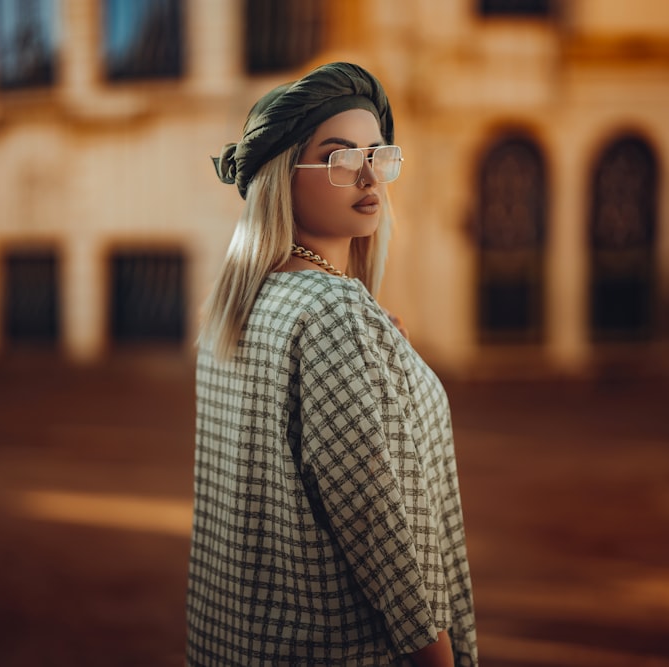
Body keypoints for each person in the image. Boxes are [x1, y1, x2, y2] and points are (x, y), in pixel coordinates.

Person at [188, 61, 477, 666]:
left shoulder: (242, 307)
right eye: (340, 158)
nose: (370, 176)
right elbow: (376, 526)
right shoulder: (332, 312)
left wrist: (379, 353)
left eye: (379, 154)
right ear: (281, 176)